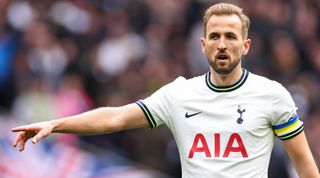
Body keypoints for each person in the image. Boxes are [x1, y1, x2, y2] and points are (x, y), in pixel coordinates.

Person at [12, 3, 319, 178]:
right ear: (203, 45)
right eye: (214, 36)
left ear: (246, 45)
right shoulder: (179, 94)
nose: (222, 43)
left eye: (230, 36)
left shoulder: (272, 95)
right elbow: (116, 118)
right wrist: (56, 125)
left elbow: (305, 165)